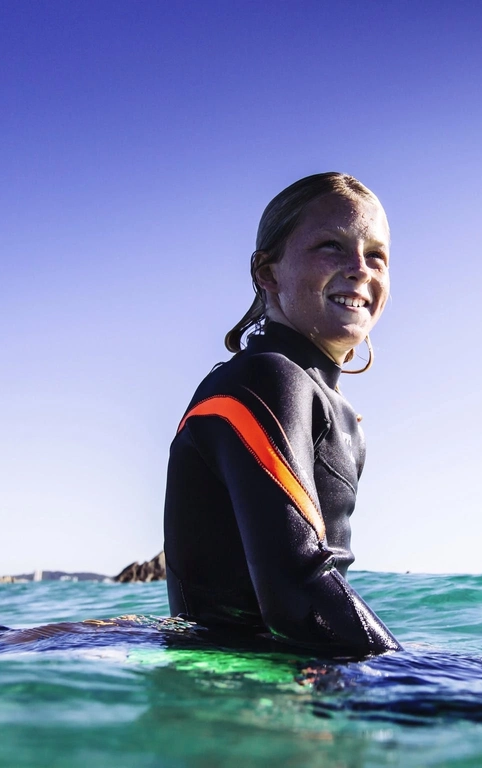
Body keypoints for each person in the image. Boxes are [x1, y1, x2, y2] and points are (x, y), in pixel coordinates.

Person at [162, 172, 402, 657]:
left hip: (284, 678)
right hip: (231, 685)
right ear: (268, 273)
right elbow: (297, 590)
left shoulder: (340, 415)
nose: (360, 269)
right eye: (332, 246)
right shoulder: (263, 380)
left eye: (376, 255)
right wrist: (421, 684)